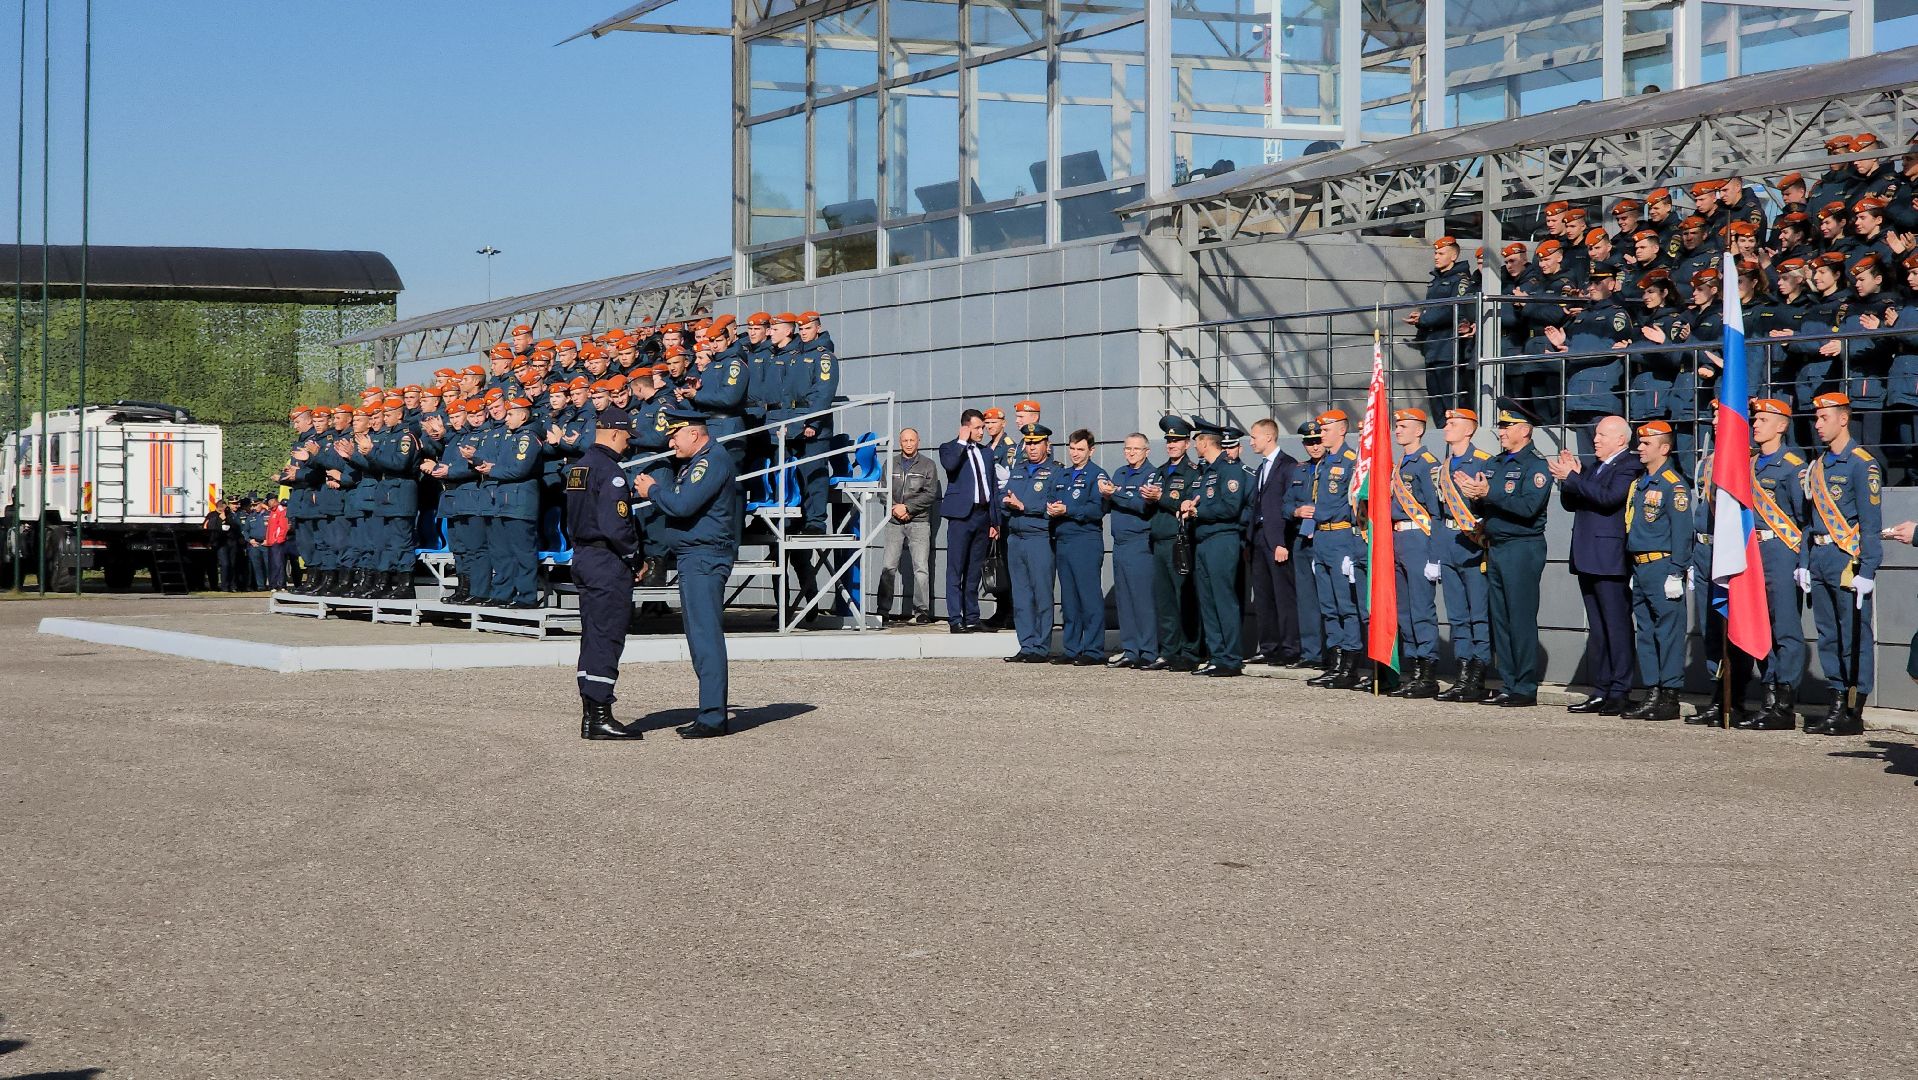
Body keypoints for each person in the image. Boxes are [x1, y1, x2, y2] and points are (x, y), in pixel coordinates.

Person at [634, 407, 743, 738]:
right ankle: (709, 711)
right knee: (698, 635)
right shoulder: (697, 463)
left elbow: (682, 505)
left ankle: (712, 716)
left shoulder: (710, 461)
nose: (671, 441)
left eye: (675, 434)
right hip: (694, 556)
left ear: (694, 433)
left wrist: (652, 490)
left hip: (704, 557)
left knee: (704, 635)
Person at [1455, 403, 1554, 707]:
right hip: (1497, 546)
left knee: (1520, 618)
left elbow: (1527, 507)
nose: (1501, 432)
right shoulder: (1497, 463)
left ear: (1524, 430)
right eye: (1501, 426)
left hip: (1522, 547)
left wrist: (1488, 494)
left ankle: (1524, 687)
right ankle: (1509, 682)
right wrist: (1474, 495)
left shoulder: (1536, 466)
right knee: (1501, 618)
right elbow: (1488, 504)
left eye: (1507, 426)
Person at [1798, 392, 1881, 736]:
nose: (1817, 425)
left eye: (1824, 418)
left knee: (1853, 635)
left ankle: (1852, 708)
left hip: (1847, 559)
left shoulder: (1863, 464)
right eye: (1816, 418)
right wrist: (1804, 561)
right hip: (1819, 556)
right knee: (1828, 634)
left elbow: (1871, 522)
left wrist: (1869, 569)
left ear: (1843, 419)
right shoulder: (1817, 466)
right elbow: (1807, 520)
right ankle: (1834, 700)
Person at [1550, 415, 1643, 715]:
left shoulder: (1628, 464)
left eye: (1602, 434)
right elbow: (1572, 502)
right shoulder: (1595, 467)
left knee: (1616, 626)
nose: (1596, 439)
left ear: (1620, 439)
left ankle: (1620, 689)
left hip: (1609, 558)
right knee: (1599, 629)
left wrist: (1575, 478)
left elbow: (1609, 498)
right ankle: (1601, 689)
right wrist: (1571, 478)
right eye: (1596, 434)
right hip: (1588, 556)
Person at [565, 403, 645, 741]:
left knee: (592, 635)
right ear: (614, 433)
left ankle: (590, 715)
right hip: (606, 561)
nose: (629, 443)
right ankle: (599, 715)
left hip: (583, 555)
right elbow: (616, 524)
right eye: (627, 437)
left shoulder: (579, 468)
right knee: (607, 637)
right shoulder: (610, 470)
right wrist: (634, 557)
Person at [1735, 398, 1810, 730]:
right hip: (1754, 551)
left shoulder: (1793, 465)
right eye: (1755, 419)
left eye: (1764, 419)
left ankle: (1785, 700)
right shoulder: (1750, 464)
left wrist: (1802, 561)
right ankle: (1767, 694)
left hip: (1781, 550)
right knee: (1760, 625)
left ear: (1782, 425)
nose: (1755, 424)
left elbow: (1803, 520)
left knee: (1785, 628)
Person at [1620, 421, 1693, 721]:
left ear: (1664, 448)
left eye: (1646, 444)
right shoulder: (1640, 483)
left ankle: (1670, 695)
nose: (1639, 447)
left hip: (1663, 566)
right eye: (1639, 443)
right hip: (1641, 566)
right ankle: (1651, 691)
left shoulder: (1672, 485)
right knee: (1647, 632)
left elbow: (1682, 532)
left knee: (1669, 633)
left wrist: (1677, 571)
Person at [1432, 408, 1495, 702]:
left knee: (1478, 614)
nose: (1447, 427)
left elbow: (1489, 508)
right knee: (1457, 615)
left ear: (1469, 430)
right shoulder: (1442, 467)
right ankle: (1462, 672)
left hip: (1472, 544)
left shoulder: (1483, 462)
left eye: (1453, 423)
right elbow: (1436, 511)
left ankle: (1478, 674)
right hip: (1448, 542)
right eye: (1446, 423)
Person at [1306, 409, 1366, 691]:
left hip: (1341, 535)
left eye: (1327, 429)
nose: (1322, 434)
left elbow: (1351, 502)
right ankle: (1336, 661)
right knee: (1328, 606)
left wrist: (1321, 513)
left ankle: (1350, 666)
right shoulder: (1323, 463)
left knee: (1346, 605)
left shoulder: (1352, 461)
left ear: (1342, 430)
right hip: (1322, 538)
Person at [1183, 418, 1247, 677]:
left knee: (1223, 599)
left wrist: (1199, 511)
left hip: (1222, 540)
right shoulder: (1205, 472)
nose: (1195, 445)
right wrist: (1188, 505)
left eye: (1197, 440)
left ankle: (1231, 658)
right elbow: (1198, 498)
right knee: (1207, 601)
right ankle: (1216, 655)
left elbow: (1231, 507)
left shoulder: (1229, 470)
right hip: (1203, 541)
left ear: (1204, 442)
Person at [1387, 409, 1444, 698]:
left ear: (1419, 430)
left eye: (1404, 426)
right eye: (1397, 426)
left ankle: (1428, 672)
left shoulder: (1426, 464)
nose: (1398, 430)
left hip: (1419, 538)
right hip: (1398, 538)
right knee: (1405, 610)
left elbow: (1435, 512)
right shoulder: (1399, 464)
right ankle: (1414, 668)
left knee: (1421, 608)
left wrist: (1435, 556)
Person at [1140, 415, 1203, 671]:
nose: (1172, 444)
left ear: (1187, 443)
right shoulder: (1159, 472)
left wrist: (1161, 497)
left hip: (1181, 541)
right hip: (1159, 541)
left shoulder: (1192, 472)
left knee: (1184, 598)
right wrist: (1149, 498)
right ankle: (1169, 650)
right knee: (1165, 600)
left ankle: (1190, 651)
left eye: (1177, 440)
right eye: (1169, 440)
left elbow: (1189, 504)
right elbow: (1149, 507)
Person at [1001, 423, 1061, 663]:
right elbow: (1005, 496)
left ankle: (1041, 646)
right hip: (1016, 538)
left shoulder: (1056, 472)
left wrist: (1025, 507)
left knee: (1042, 594)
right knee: (1021, 596)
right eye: (1029, 443)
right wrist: (1007, 505)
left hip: (1039, 539)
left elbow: (1053, 505)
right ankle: (1026, 644)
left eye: (1037, 443)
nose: (1032, 447)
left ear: (1047, 445)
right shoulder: (1018, 470)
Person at [937, 409, 1000, 633]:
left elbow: (992, 486)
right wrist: (962, 441)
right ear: (965, 427)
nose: (982, 432)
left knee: (974, 569)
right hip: (961, 516)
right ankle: (955, 618)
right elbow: (950, 465)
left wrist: (995, 521)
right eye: (977, 428)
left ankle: (972, 617)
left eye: (983, 427)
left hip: (982, 516)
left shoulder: (986, 453)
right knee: (956, 568)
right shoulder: (949, 448)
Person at [1100, 432, 1159, 668]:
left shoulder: (1152, 474)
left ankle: (1148, 650)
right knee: (1124, 600)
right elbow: (1110, 503)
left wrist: (1116, 493)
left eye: (1136, 449)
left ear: (1146, 451)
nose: (1131, 453)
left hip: (1140, 542)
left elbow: (1142, 505)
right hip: (1120, 543)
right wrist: (1106, 494)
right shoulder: (1120, 473)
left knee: (1142, 599)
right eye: (1127, 449)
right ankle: (1130, 648)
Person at [1050, 429, 1108, 666]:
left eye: (1080, 449)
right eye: (1072, 449)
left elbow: (1098, 510)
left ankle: (1093, 650)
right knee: (1069, 599)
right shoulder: (1062, 475)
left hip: (1085, 541)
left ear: (1091, 450)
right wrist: (1051, 508)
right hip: (1063, 541)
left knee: (1089, 597)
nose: (1075, 453)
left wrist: (1068, 511)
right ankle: (1072, 648)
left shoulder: (1097, 475)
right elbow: (1051, 497)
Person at [1245, 419, 1299, 666]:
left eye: (1254, 436)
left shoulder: (1287, 465)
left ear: (1269, 437)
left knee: (1283, 596)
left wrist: (1282, 543)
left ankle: (1289, 648)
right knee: (1264, 595)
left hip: (1276, 540)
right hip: (1258, 538)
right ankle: (1269, 647)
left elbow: (1287, 506)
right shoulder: (1261, 468)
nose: (1251, 441)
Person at [1407, 235, 1478, 415]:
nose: (1436, 256)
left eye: (1441, 253)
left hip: (1449, 348)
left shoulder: (1460, 280)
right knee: (1436, 400)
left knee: (1452, 399)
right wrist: (1421, 318)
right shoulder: (1436, 280)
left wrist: (1424, 318)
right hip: (1433, 347)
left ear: (1453, 256)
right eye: (1435, 253)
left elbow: (1453, 309)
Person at [879, 427, 941, 625]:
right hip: (894, 521)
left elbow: (930, 494)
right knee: (888, 566)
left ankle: (921, 611)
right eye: (905, 440)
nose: (908, 443)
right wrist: (893, 508)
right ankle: (883, 610)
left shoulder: (928, 465)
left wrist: (908, 507)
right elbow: (882, 490)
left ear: (918, 441)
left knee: (921, 568)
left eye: (912, 440)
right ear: (900, 443)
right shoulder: (891, 463)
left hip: (919, 521)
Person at [1282, 420, 1328, 670]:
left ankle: (1336, 653)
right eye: (1309, 443)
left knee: (1330, 599)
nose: (1314, 447)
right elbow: (1285, 504)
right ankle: (1312, 653)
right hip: (1302, 538)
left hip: (1327, 536)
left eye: (1318, 441)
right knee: (1307, 598)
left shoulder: (1335, 466)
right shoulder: (1299, 471)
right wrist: (1296, 510)